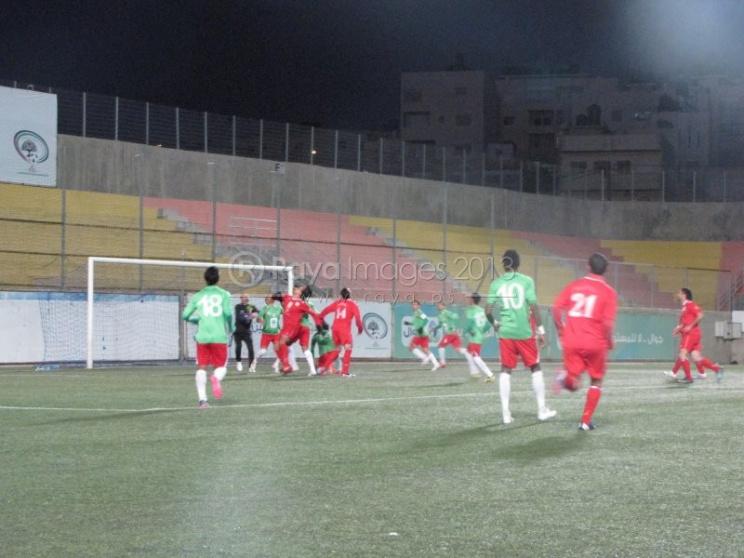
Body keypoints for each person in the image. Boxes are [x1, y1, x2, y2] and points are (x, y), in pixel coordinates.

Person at [486, 249, 556, 425]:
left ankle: (505, 413)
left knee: (505, 370)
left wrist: (495, 323)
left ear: (504, 264)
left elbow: (487, 311)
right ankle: (541, 410)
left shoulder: (496, 284)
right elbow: (534, 307)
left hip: (506, 333)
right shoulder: (526, 281)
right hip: (524, 332)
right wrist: (541, 330)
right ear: (518, 263)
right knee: (535, 367)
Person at [552, 253, 618, 431]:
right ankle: (585, 421)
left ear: (588, 266)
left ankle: (564, 378)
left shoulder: (575, 285)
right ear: (605, 271)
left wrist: (561, 330)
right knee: (596, 381)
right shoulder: (609, 292)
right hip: (595, 342)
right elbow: (607, 324)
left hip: (572, 340)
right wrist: (609, 341)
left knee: (574, 384)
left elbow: (556, 309)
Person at [181, 266, 234, 409]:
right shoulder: (224, 294)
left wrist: (195, 320)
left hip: (202, 337)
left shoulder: (198, 296)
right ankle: (215, 378)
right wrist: (230, 327)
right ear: (218, 279)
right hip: (219, 336)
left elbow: (185, 315)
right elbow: (228, 314)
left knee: (201, 367)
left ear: (205, 279)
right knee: (221, 367)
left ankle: (203, 401)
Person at [664, 288, 724, 383]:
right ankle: (717, 369)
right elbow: (685, 321)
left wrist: (690, 326)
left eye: (679, 293)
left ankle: (688, 378)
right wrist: (678, 329)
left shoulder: (690, 305)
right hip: (692, 334)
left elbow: (700, 315)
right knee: (696, 357)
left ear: (684, 295)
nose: (677, 295)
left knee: (682, 354)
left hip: (690, 334)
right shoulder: (684, 307)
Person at [273, 285, 322, 374]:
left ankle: (287, 365)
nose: (297, 288)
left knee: (282, 343)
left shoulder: (300, 303)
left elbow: (314, 313)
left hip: (295, 327)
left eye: (299, 288)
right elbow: (277, 297)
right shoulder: (291, 299)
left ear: (300, 293)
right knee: (284, 345)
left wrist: (319, 324)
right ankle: (309, 369)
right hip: (301, 327)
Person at [320, 287, 363, 377]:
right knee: (348, 348)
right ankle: (345, 372)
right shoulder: (352, 304)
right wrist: (360, 328)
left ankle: (324, 368)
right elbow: (358, 319)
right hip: (344, 329)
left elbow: (325, 311)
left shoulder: (337, 303)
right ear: (349, 294)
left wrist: (321, 319)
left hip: (335, 329)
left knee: (336, 349)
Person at [463, 293, 495, 382]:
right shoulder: (482, 310)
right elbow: (488, 325)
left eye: (470, 298)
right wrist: (480, 332)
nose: (468, 300)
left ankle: (490, 375)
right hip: (479, 336)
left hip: (474, 336)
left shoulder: (470, 310)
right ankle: (475, 372)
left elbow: (470, 323)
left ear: (472, 300)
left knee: (475, 356)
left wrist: (466, 332)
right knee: (468, 352)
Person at [405, 300, 441, 371]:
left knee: (411, 347)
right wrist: (409, 323)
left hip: (421, 333)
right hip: (422, 334)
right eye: (413, 304)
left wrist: (421, 327)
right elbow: (416, 323)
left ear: (419, 306)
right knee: (425, 349)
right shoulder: (416, 313)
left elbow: (426, 319)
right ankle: (436, 363)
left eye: (415, 304)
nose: (414, 306)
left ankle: (424, 358)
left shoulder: (419, 312)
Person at [432, 301, 467, 367]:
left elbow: (455, 316)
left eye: (440, 305)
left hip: (450, 333)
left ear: (444, 306)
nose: (438, 307)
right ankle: (471, 352)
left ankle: (442, 363)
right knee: (457, 349)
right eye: (437, 306)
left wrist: (451, 325)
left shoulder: (446, 312)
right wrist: (435, 328)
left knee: (441, 346)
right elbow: (441, 324)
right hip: (453, 334)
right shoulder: (440, 315)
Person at [254, 295, 283, 373]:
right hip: (266, 333)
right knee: (263, 351)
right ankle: (254, 361)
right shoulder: (264, 308)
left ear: (273, 300)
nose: (266, 299)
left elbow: (286, 313)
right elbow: (258, 319)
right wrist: (260, 320)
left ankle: (276, 365)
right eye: (266, 298)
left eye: (268, 298)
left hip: (276, 333)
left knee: (281, 351)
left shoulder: (278, 308)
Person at [233, 293, 257, 372]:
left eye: (247, 297)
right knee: (238, 347)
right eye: (244, 297)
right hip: (238, 331)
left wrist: (254, 314)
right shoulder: (238, 306)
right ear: (241, 298)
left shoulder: (251, 306)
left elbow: (257, 313)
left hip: (247, 331)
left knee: (251, 348)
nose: (246, 298)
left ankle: (251, 366)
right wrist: (250, 315)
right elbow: (240, 318)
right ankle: (238, 362)